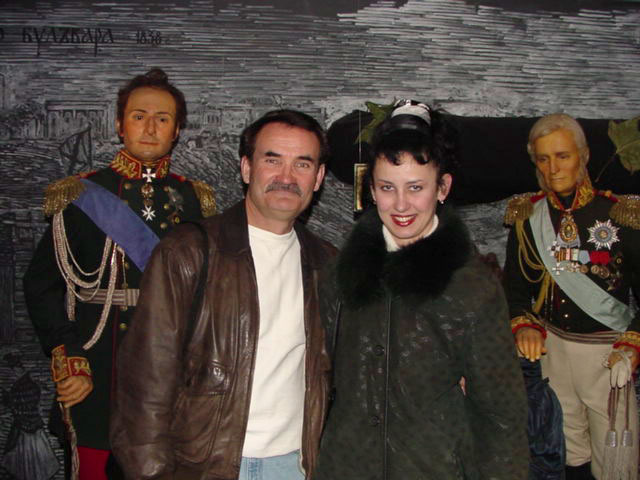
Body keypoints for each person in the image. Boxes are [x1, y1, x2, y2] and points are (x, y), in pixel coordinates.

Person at [110, 109, 337, 480]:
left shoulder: (327, 264)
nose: (286, 177)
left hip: (296, 465)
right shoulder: (188, 252)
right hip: (203, 466)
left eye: (302, 164)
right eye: (272, 160)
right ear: (247, 168)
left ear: (319, 177)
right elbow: (144, 386)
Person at [314, 100, 530, 480]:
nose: (401, 204)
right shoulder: (340, 277)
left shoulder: (471, 288)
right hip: (345, 466)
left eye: (416, 187)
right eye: (387, 187)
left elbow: (502, 415)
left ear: (442, 187)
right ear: (372, 189)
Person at [23, 68, 216, 480]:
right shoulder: (81, 194)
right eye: (138, 116)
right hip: (96, 366)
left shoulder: (194, 200)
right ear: (119, 124)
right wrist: (68, 354)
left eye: (162, 118)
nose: (150, 127)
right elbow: (42, 286)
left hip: (169, 373)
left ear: (177, 130)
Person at [503, 113, 640, 480]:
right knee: (564, 450)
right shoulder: (527, 215)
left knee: (613, 455)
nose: (553, 168)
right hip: (552, 352)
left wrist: (632, 345)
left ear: (584, 155)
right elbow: (515, 288)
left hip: (606, 354)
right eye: (543, 158)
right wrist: (524, 326)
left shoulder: (620, 214)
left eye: (562, 156)